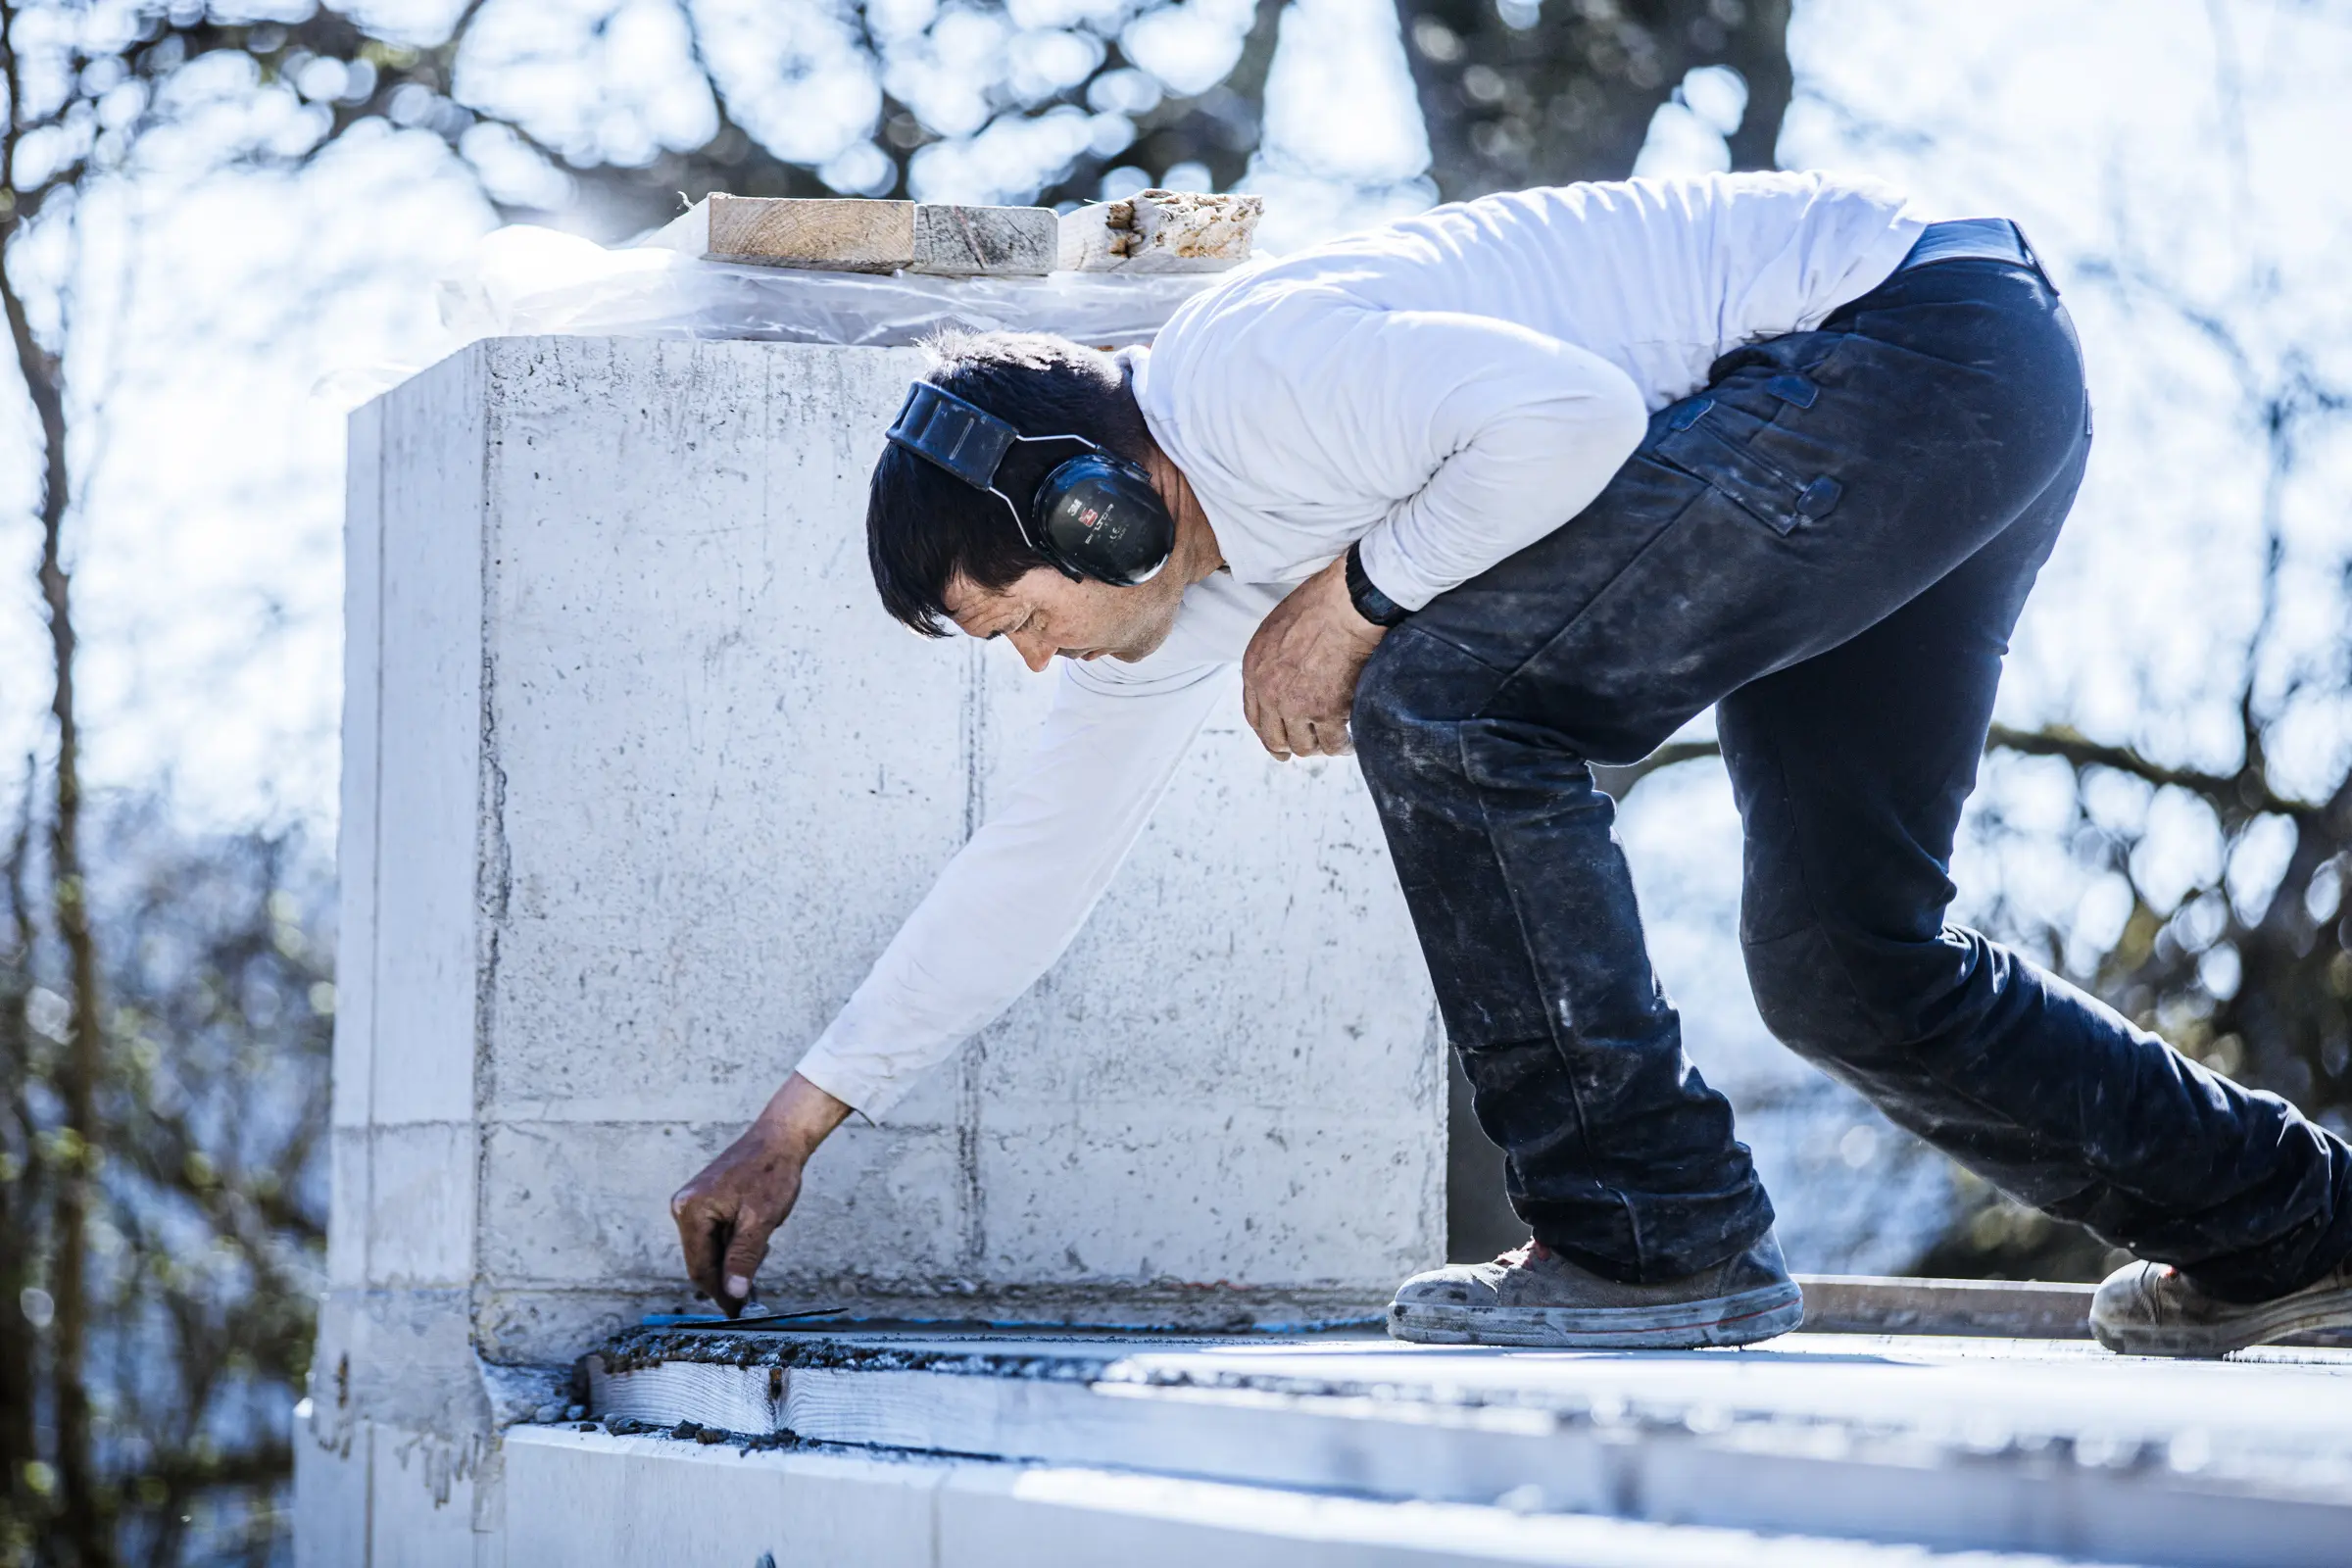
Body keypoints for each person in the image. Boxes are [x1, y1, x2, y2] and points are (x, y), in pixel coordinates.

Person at [669, 170, 2352, 1356]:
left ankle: (1649, 1239)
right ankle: (2288, 1227)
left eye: (1021, 613)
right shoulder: (1175, 597)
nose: (1037, 656)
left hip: (1896, 342)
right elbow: (1025, 868)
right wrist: (796, 1126)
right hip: (1961, 383)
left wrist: (1356, 600)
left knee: (1449, 704)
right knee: (1842, 965)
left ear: (1089, 509)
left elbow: (1573, 427)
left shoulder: (1253, 378)